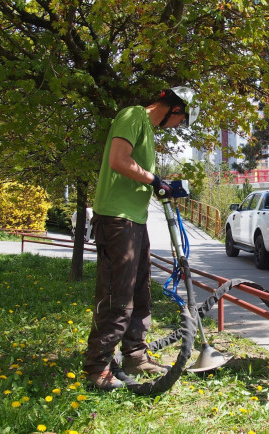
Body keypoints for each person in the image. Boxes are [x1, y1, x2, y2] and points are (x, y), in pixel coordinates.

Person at [84, 87, 198, 390]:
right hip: (116, 218)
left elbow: (137, 173)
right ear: (174, 108)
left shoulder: (147, 129)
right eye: (181, 120)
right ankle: (97, 367)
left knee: (140, 292)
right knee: (117, 294)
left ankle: (134, 354)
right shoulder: (133, 115)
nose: (177, 127)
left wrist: (162, 185)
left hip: (134, 219)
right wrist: (154, 179)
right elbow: (118, 160)